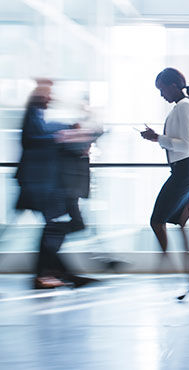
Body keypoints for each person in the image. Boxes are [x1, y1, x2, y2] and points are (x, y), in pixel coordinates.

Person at [15, 79, 98, 289]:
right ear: (39, 96)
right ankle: (53, 275)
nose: (50, 98)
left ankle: (58, 274)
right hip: (37, 183)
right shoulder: (33, 115)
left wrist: (67, 130)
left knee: (55, 227)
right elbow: (37, 138)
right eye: (47, 95)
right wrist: (63, 135)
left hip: (42, 182)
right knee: (55, 228)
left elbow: (43, 133)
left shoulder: (36, 115)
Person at [140, 68, 189, 300]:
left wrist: (157, 138)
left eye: (162, 89)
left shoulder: (184, 107)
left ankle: (166, 263)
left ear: (174, 86)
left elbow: (185, 145)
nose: (162, 95)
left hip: (184, 171)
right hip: (184, 170)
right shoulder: (182, 107)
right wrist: (157, 138)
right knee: (181, 224)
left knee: (157, 221)